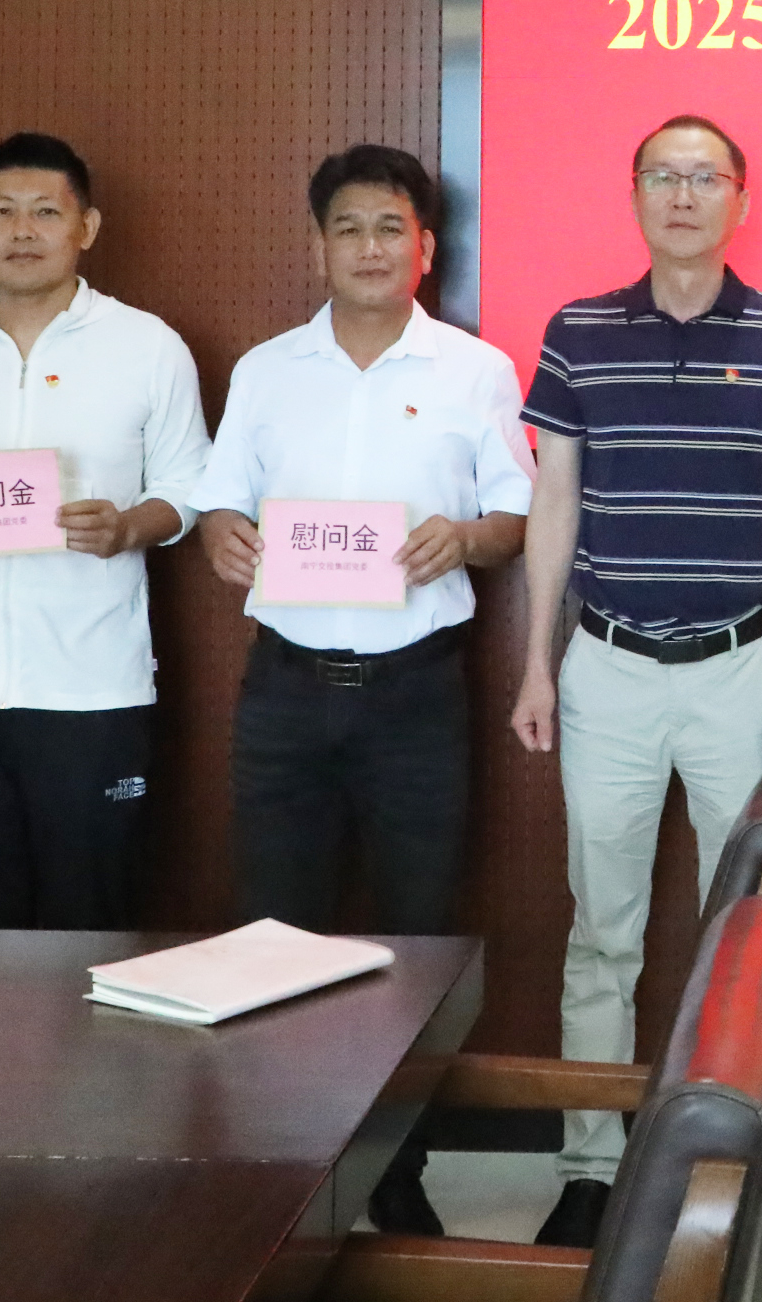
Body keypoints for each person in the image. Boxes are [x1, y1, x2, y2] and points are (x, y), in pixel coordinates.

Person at [510, 114, 762, 1250]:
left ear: (740, 199)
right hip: (604, 665)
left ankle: (730, 1185)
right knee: (601, 932)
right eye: (664, 175)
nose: (684, 195)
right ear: (635, 194)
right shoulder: (579, 330)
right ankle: (588, 1169)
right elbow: (555, 501)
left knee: (743, 948)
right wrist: (538, 662)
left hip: (741, 671)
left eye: (706, 178)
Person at [198, 144, 531, 1237]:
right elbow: (220, 503)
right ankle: (279, 1163)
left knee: (414, 939)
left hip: (415, 695)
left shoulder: (475, 370)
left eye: (392, 228)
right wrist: (226, 535)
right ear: (319, 246)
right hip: (285, 689)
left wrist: (464, 538)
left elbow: (514, 517)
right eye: (349, 228)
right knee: (272, 933)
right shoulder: (266, 370)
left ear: (425, 247)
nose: (371, 248)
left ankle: (397, 1170)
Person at [0, 132, 208, 933]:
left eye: (45, 212)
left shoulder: (148, 347)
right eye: (3, 212)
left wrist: (128, 526)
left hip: (93, 690)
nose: (22, 230)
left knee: (90, 924)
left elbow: (189, 490)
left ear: (86, 228)